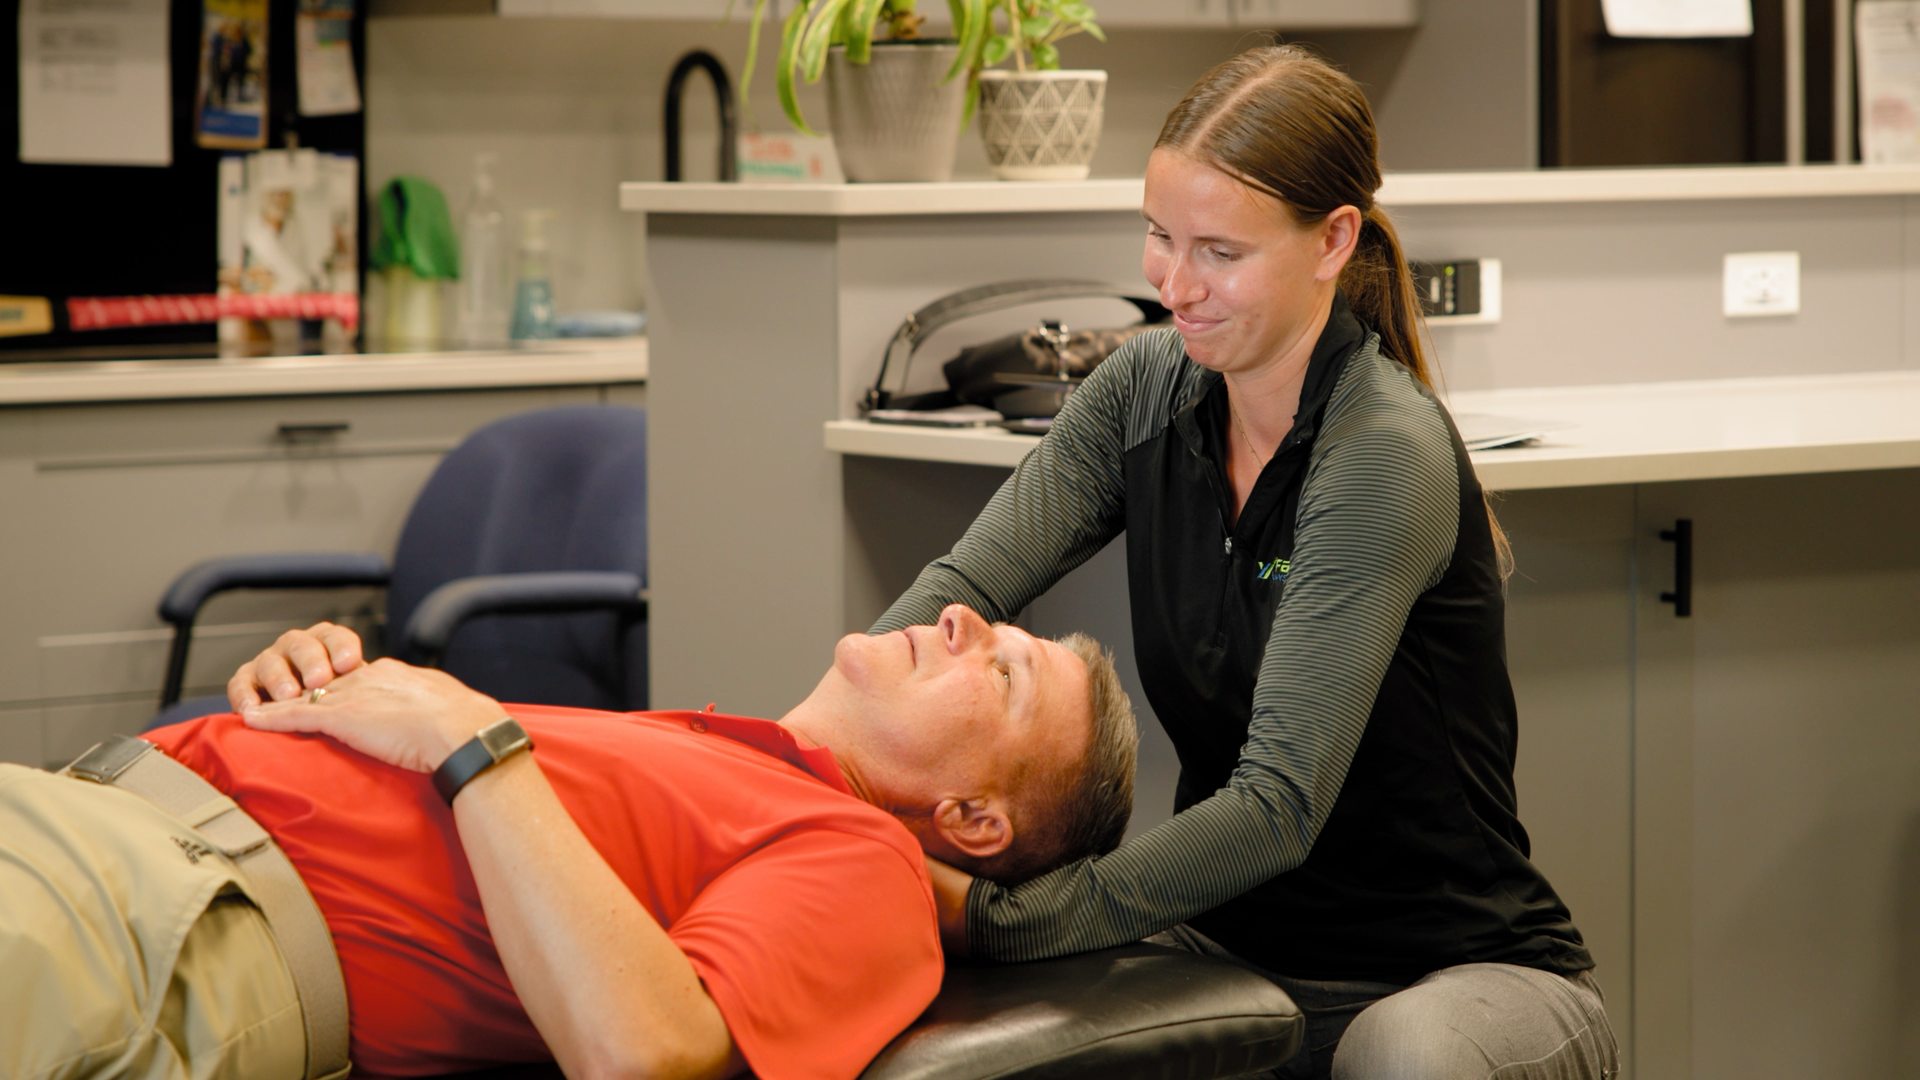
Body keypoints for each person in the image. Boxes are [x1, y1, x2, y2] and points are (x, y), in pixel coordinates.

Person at [873, 46, 1618, 1080]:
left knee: (1402, 1059)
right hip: (1233, 955)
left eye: (1219, 251)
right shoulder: (1142, 392)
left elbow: (1276, 808)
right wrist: (788, 759)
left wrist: (1002, 920)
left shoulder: (1379, 455)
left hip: (1459, 972)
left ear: (1332, 242)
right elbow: (957, 590)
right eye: (1157, 236)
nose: (1175, 285)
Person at [1, 605, 1137, 1080]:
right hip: (100, 820)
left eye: (1003, 670)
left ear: (975, 821)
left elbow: (644, 1052)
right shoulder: (720, 752)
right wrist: (303, 685)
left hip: (162, 919)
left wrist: (464, 738)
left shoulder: (865, 862)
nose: (963, 618)